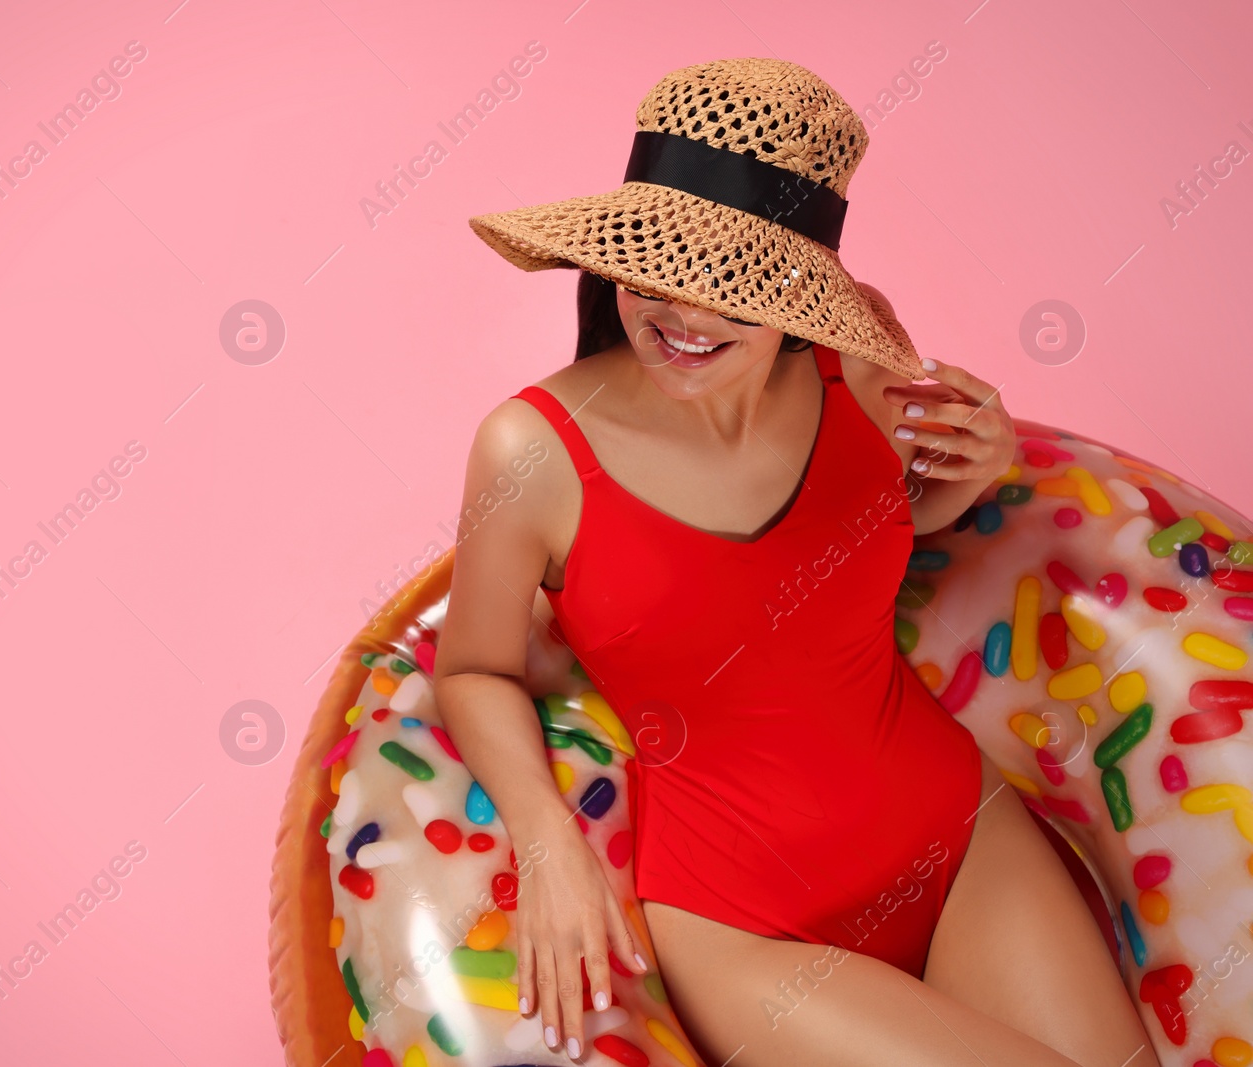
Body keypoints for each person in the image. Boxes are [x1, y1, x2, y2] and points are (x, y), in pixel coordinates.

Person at [432, 58, 1159, 1066]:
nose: (684, 318)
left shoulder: (851, 362)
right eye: (657, 267)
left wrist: (974, 475)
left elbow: (855, 539)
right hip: (744, 922)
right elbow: (471, 667)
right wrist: (548, 840)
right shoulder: (533, 449)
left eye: (732, 285)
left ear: (798, 285)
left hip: (952, 835)